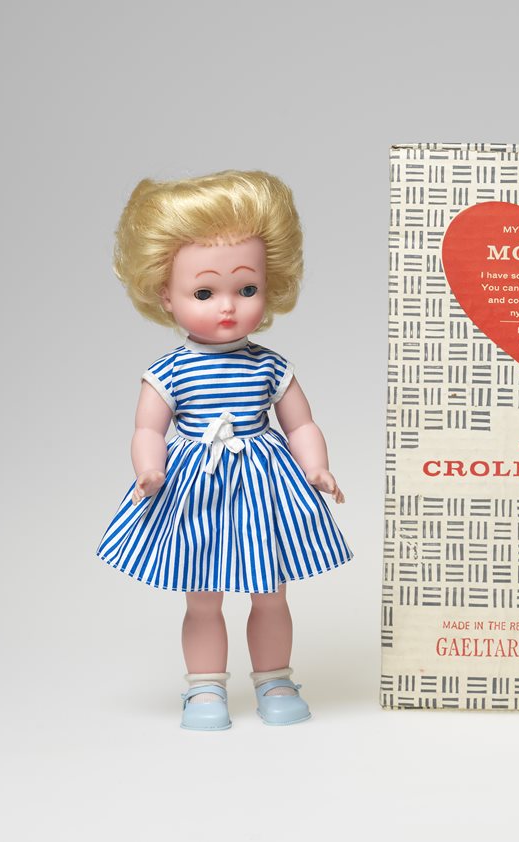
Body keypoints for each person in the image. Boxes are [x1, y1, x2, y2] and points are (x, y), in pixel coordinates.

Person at [97, 170, 352, 730]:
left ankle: (275, 679)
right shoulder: (169, 371)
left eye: (247, 289)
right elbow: (148, 430)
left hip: (264, 489)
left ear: (271, 285)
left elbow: (301, 423)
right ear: (165, 294)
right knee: (203, 597)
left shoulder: (270, 366)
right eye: (204, 293)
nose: (228, 307)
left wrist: (317, 467)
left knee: (271, 591)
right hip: (198, 489)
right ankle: (205, 687)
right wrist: (148, 469)